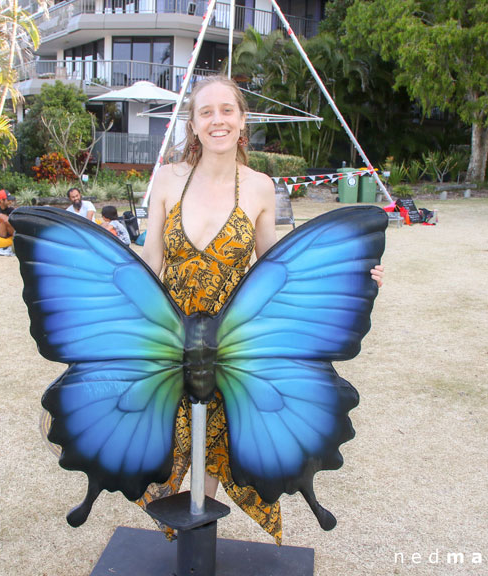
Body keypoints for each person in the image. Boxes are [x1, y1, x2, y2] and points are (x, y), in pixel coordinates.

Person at [138, 75, 384, 544]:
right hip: (172, 333)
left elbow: (276, 269)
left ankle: (194, 540)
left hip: (234, 340)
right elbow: (152, 257)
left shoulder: (259, 187)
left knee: (217, 441)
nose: (217, 120)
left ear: (242, 119)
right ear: (192, 123)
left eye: (226, 110)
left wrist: (351, 276)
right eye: (205, 111)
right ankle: (179, 526)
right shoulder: (168, 179)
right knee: (165, 435)